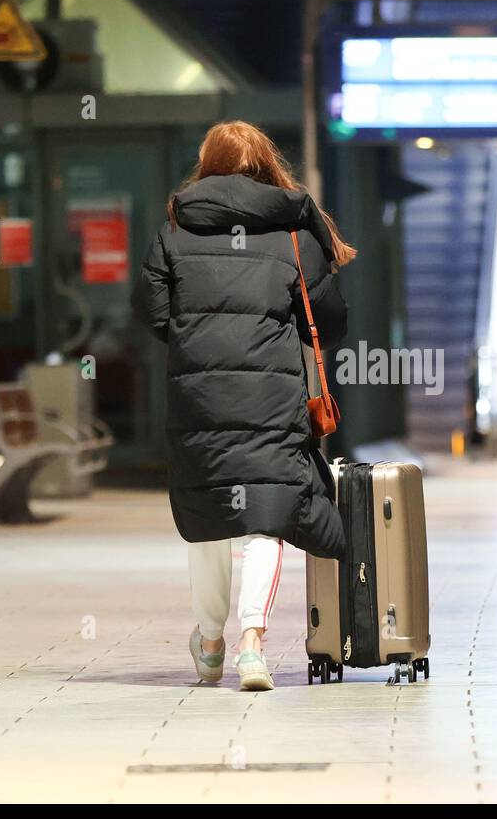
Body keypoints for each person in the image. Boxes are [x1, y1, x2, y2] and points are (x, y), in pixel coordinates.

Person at [132, 121, 355, 691]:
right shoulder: (293, 236)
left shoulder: (174, 230)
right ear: (264, 166)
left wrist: (202, 339)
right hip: (271, 398)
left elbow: (153, 314)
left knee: (208, 520)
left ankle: (210, 645)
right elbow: (329, 321)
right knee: (264, 517)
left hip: (198, 398)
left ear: (206, 165)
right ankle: (252, 647)